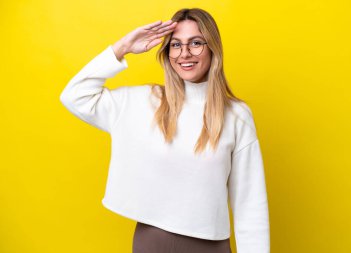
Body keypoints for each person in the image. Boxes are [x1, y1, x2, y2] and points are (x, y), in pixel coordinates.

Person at [60, 8, 270, 253]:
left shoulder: (236, 116)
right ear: (167, 51)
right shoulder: (144, 102)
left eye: (196, 43)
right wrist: (122, 48)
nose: (185, 54)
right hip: (151, 243)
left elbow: (250, 203)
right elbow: (75, 96)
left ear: (213, 48)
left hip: (211, 246)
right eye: (176, 45)